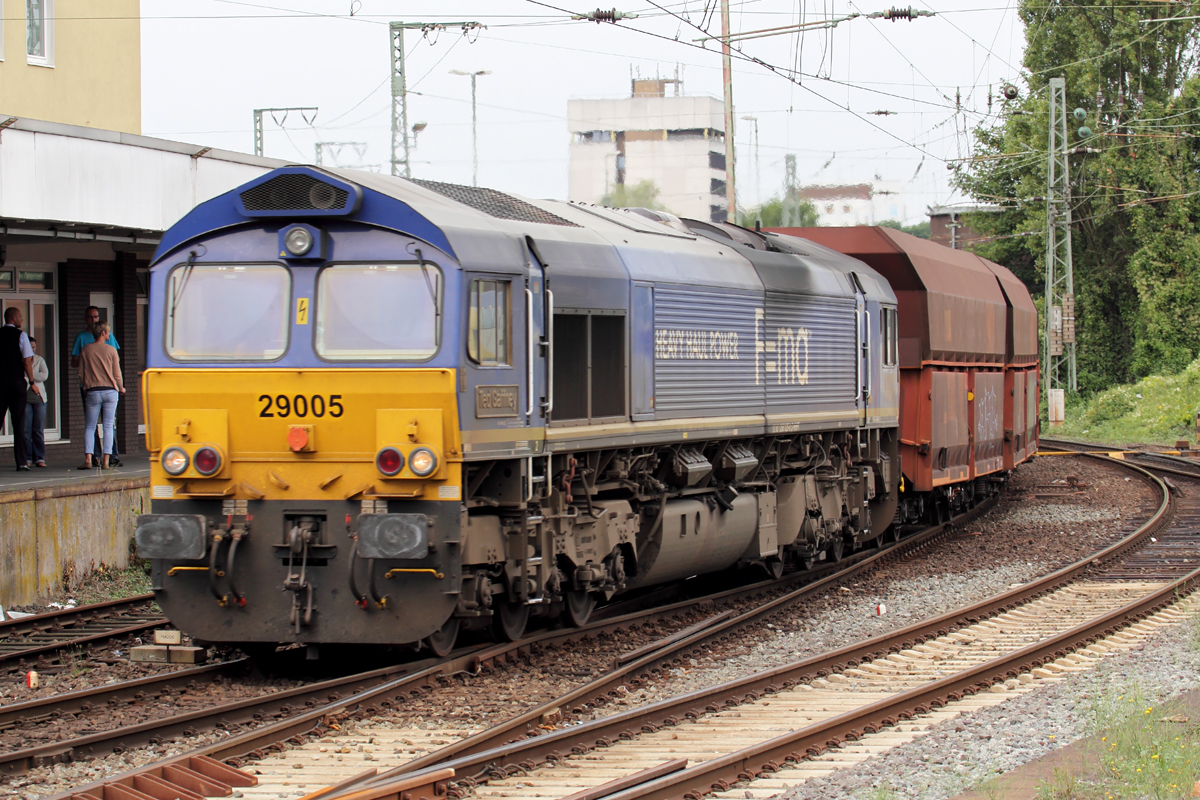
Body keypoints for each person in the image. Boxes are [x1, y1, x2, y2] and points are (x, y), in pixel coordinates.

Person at [72, 306, 122, 467]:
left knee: (90, 426)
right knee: (108, 425)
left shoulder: (86, 349)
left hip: (92, 391)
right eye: (107, 332)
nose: (109, 334)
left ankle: (88, 458)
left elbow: (80, 372)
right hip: (110, 390)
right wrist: (120, 387)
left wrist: (86, 386)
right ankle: (107, 460)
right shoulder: (111, 350)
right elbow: (117, 373)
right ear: (103, 333)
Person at [1, 306, 38, 471]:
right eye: (21, 317)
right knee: (19, 422)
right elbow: (27, 361)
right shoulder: (21, 335)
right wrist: (32, 381)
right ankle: (22, 462)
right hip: (16, 382)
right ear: (13, 318)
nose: (22, 319)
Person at [24, 336, 48, 468]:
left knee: (38, 430)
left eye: (33, 347)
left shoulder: (40, 360)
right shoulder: (20, 360)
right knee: (26, 430)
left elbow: (44, 375)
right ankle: (26, 457)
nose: (32, 349)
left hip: (39, 398)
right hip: (25, 399)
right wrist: (33, 376)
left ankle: (39, 458)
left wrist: (29, 375)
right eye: (29, 347)